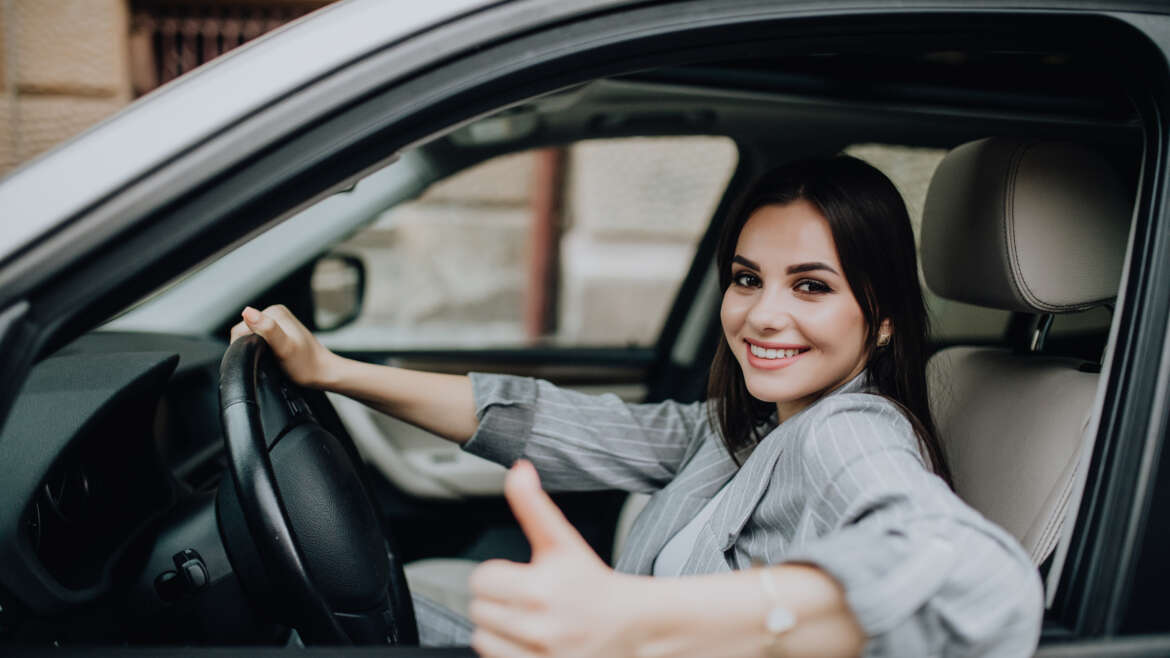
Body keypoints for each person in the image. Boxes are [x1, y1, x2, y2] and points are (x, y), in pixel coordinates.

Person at [230, 155, 1044, 657]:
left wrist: (646, 617)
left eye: (812, 287)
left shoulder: (850, 432)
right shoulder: (750, 427)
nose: (762, 315)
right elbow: (549, 423)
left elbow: (973, 580)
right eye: (747, 278)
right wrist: (334, 370)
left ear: (884, 318)